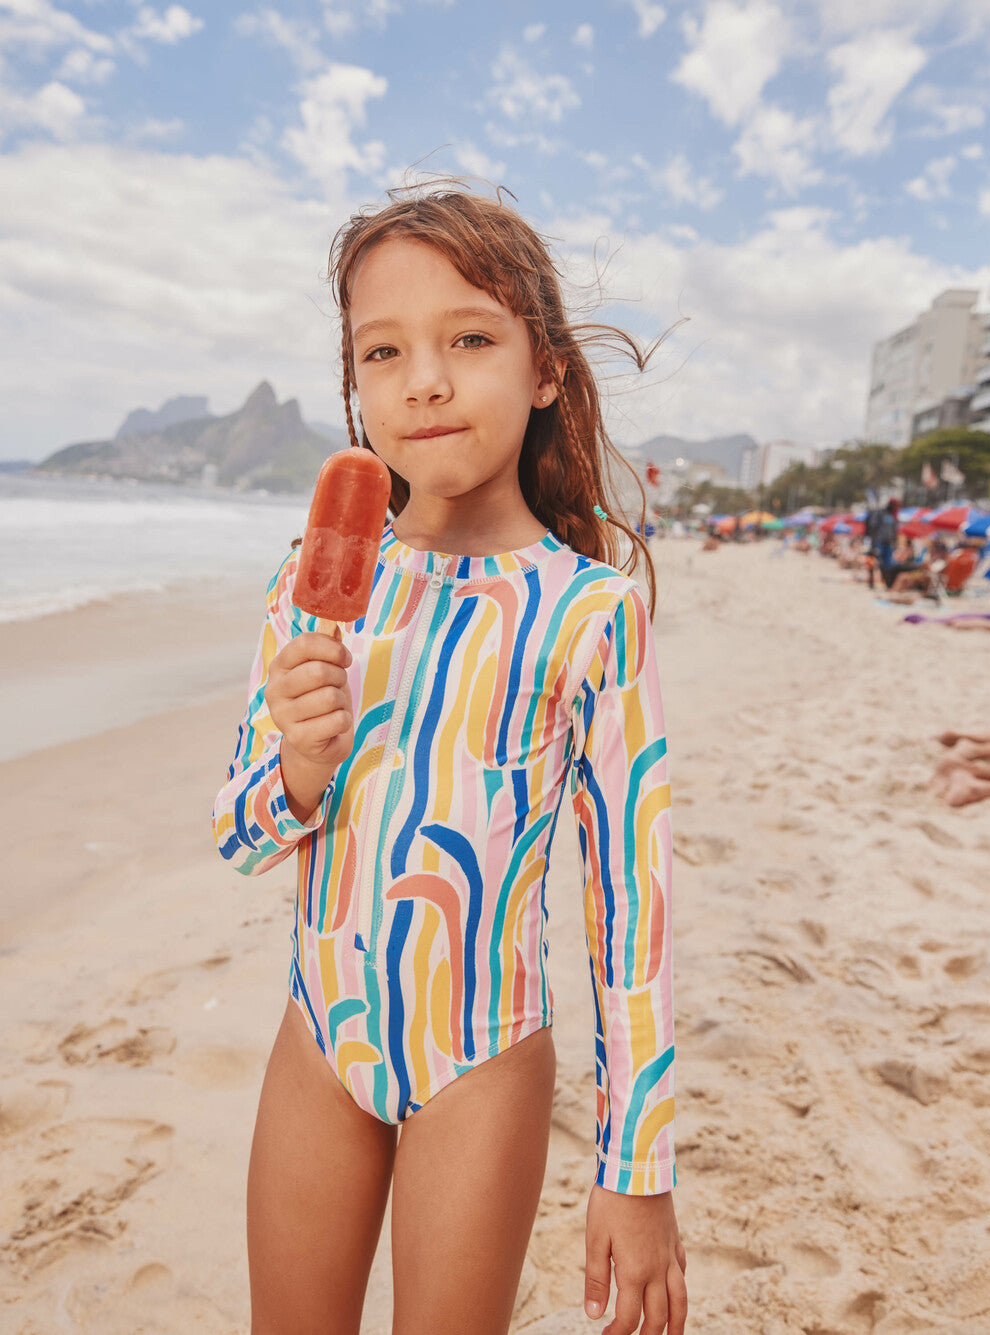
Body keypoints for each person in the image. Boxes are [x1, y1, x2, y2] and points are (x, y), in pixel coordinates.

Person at [212, 184, 686, 1335]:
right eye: (383, 352)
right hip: (317, 1036)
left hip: (480, 1058)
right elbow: (239, 833)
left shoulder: (589, 614)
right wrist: (301, 767)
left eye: (468, 338)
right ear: (355, 389)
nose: (423, 378)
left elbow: (631, 900)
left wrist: (638, 1168)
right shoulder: (312, 582)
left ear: (544, 371)